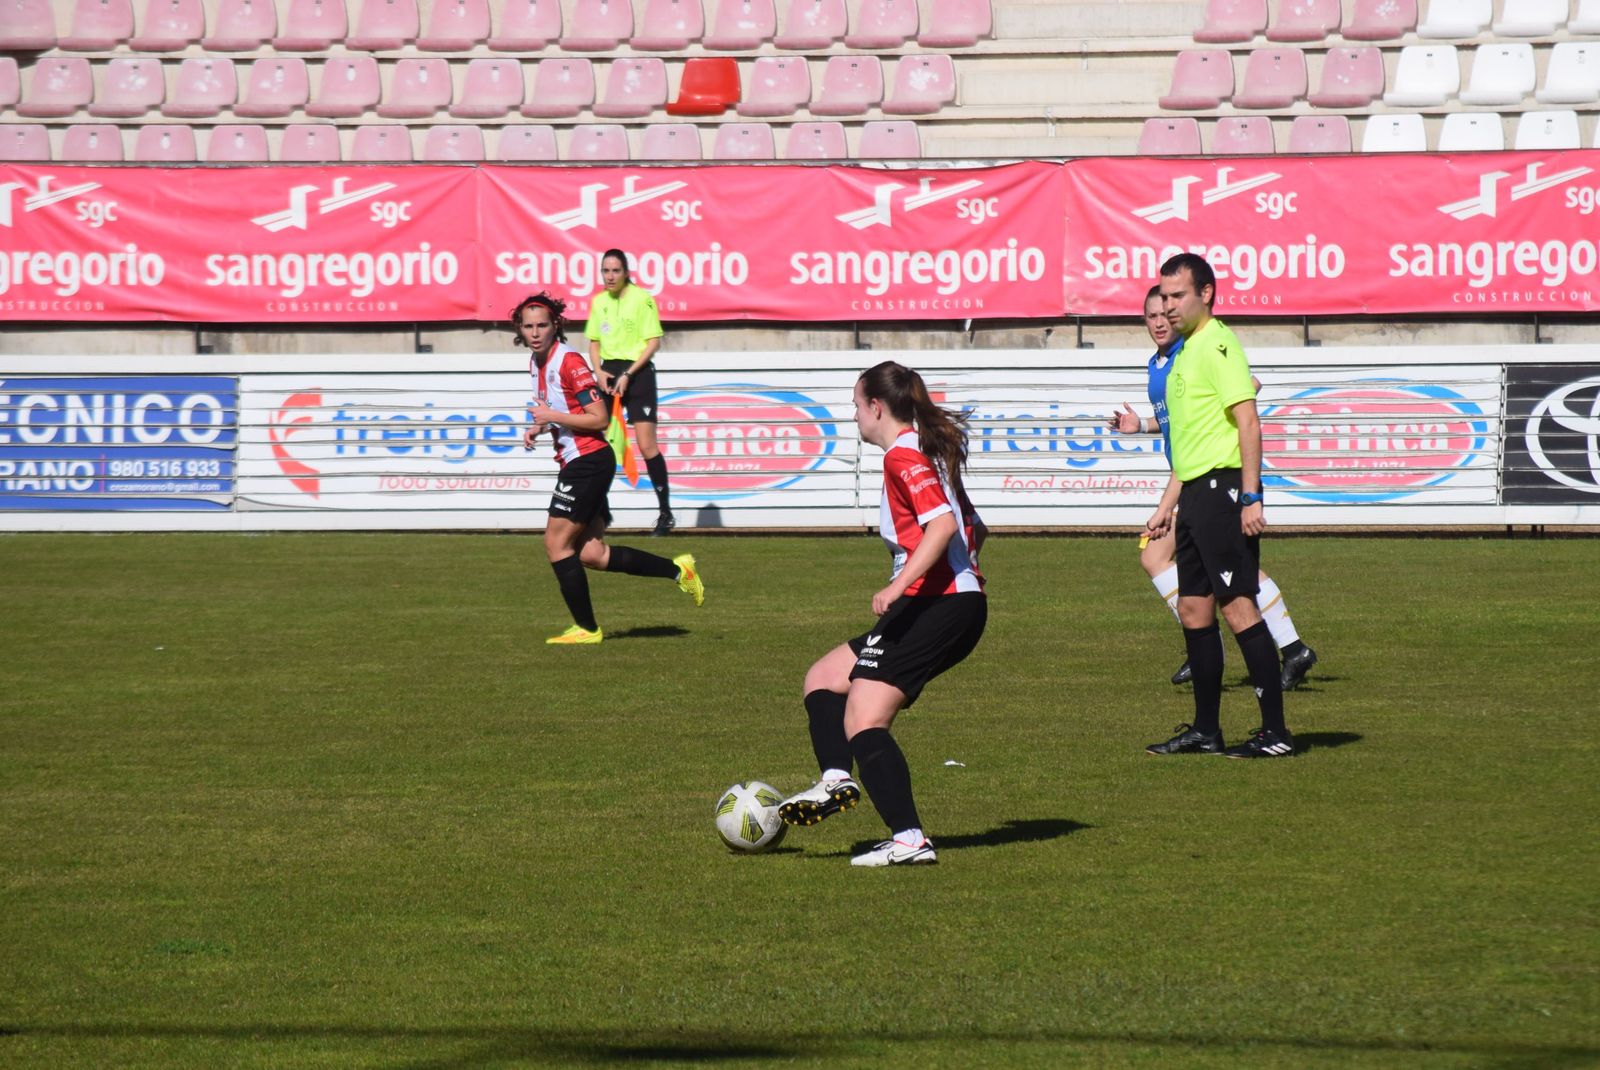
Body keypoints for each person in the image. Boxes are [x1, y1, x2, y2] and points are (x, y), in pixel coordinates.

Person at [777, 361, 988, 866]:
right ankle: (835, 780)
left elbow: (941, 528)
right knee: (824, 677)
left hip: (939, 604)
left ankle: (910, 840)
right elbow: (975, 525)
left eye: (855, 406)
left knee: (864, 717)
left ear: (876, 407)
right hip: (945, 600)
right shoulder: (926, 449)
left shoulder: (903, 455)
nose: (854, 417)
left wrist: (900, 583)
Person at [1110, 286, 1318, 692]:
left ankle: (1220, 644)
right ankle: (1274, 647)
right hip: (1188, 477)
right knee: (1178, 561)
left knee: (1192, 564)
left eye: (1164, 312)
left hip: (1206, 478)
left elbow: (1247, 385)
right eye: (1150, 315)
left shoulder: (1193, 353)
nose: (1158, 320)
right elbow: (1177, 423)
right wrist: (1143, 427)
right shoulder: (1159, 364)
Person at [1142, 254, 1294, 759]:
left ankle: (1276, 732)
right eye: (1163, 297)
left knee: (1238, 606)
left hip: (1223, 491)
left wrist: (1251, 495)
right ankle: (1207, 730)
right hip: (1194, 494)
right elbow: (1187, 437)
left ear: (1205, 293)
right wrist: (1171, 502)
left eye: (1177, 295)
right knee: (1193, 608)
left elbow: (1247, 421)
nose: (1168, 305)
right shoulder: (1183, 352)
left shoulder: (1218, 344)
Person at [515, 292, 704, 645]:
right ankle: (679, 570)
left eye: (542, 325)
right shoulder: (535, 363)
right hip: (582, 461)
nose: (536, 332)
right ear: (520, 330)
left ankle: (587, 629)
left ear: (556, 325)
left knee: (556, 544)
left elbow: (599, 418)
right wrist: (540, 427)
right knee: (591, 554)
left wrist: (551, 417)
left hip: (588, 462)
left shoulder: (569, 362)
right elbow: (563, 410)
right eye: (529, 326)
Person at [586, 249, 675, 537]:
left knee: (647, 444)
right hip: (609, 374)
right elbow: (594, 342)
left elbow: (653, 343)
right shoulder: (599, 301)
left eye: (615, 271)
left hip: (637, 374)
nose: (610, 276)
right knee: (600, 441)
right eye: (605, 271)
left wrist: (628, 374)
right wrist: (599, 372)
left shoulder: (642, 299)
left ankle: (665, 513)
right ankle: (601, 508)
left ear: (626, 272)